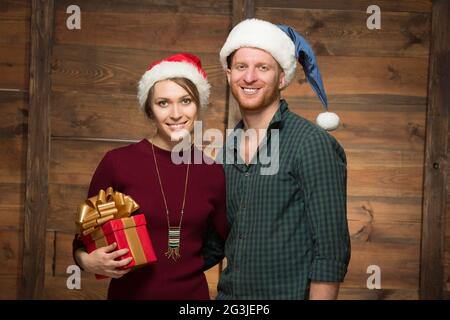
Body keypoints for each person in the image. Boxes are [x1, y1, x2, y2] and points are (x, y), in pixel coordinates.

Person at [72, 53, 228, 300]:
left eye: (185, 101)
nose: (176, 113)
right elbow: (82, 243)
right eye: (163, 103)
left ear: (199, 104)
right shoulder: (117, 163)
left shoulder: (212, 171)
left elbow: (224, 241)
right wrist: (87, 261)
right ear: (150, 110)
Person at [215, 18, 351, 299]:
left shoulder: (311, 143)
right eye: (241, 66)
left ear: (281, 78)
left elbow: (331, 249)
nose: (249, 77)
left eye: (262, 68)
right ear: (229, 75)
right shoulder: (227, 149)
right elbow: (215, 241)